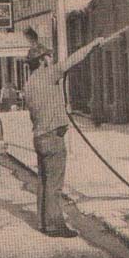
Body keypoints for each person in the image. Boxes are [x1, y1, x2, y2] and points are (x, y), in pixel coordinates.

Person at [23, 28, 109, 238]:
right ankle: (55, 225)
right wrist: (94, 44)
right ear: (42, 61)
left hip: (39, 137)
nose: (52, 59)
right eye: (49, 56)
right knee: (54, 185)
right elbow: (73, 60)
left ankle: (43, 223)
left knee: (43, 182)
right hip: (53, 138)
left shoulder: (28, 84)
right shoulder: (48, 74)